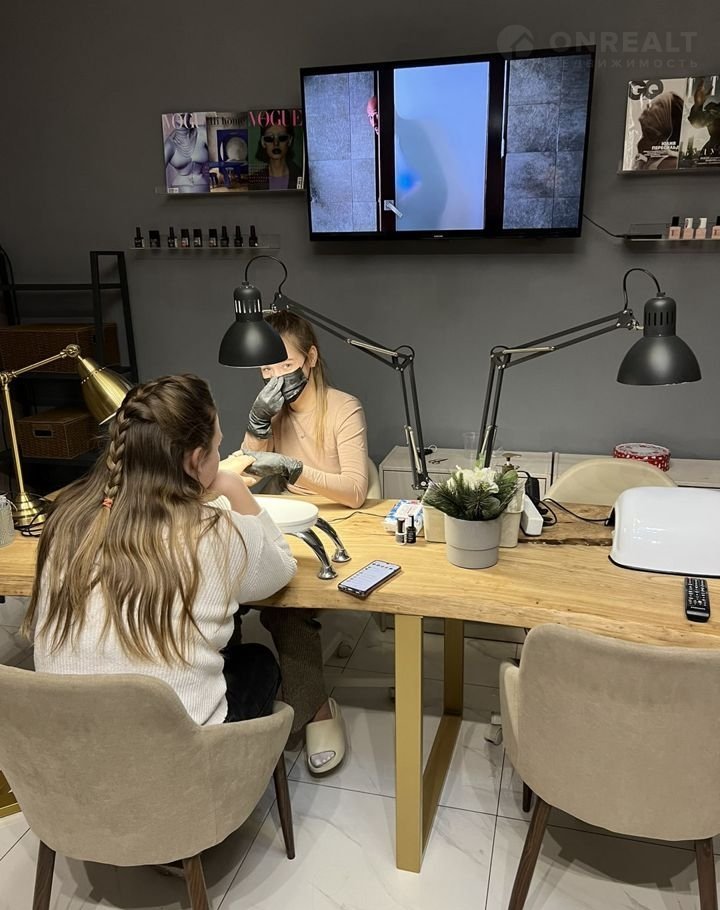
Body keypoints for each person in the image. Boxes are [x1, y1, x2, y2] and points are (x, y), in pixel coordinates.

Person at [23, 374, 297, 729]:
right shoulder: (220, 533)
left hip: (70, 742)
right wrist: (232, 487)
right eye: (216, 448)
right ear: (195, 460)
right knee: (258, 662)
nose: (219, 457)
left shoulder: (67, 519)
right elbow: (282, 568)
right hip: (178, 751)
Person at [231, 311, 370, 773]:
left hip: (338, 524)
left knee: (286, 606)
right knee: (229, 589)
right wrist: (258, 422)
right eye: (266, 368)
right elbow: (244, 476)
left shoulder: (343, 407)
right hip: (285, 524)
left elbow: (355, 491)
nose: (275, 377)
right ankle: (240, 700)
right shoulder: (274, 411)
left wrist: (295, 469)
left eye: (285, 365)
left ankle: (313, 707)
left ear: (310, 358)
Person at [251, 123, 304, 191]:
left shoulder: (302, 176)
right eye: (269, 138)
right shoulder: (254, 181)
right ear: (263, 142)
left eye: (282, 138)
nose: (276, 143)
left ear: (290, 141)